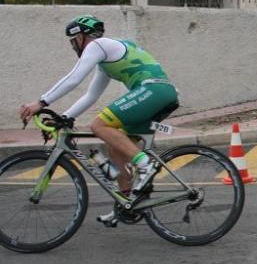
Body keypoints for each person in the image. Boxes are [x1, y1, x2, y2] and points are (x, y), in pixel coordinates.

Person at [18, 15, 180, 223]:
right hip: (159, 93)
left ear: (81, 37)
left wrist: (40, 102)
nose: (73, 47)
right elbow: (90, 95)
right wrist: (64, 118)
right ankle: (128, 204)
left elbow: (73, 79)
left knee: (98, 125)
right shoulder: (105, 57)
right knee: (116, 148)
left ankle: (146, 165)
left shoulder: (98, 45)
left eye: (73, 42)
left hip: (153, 89)